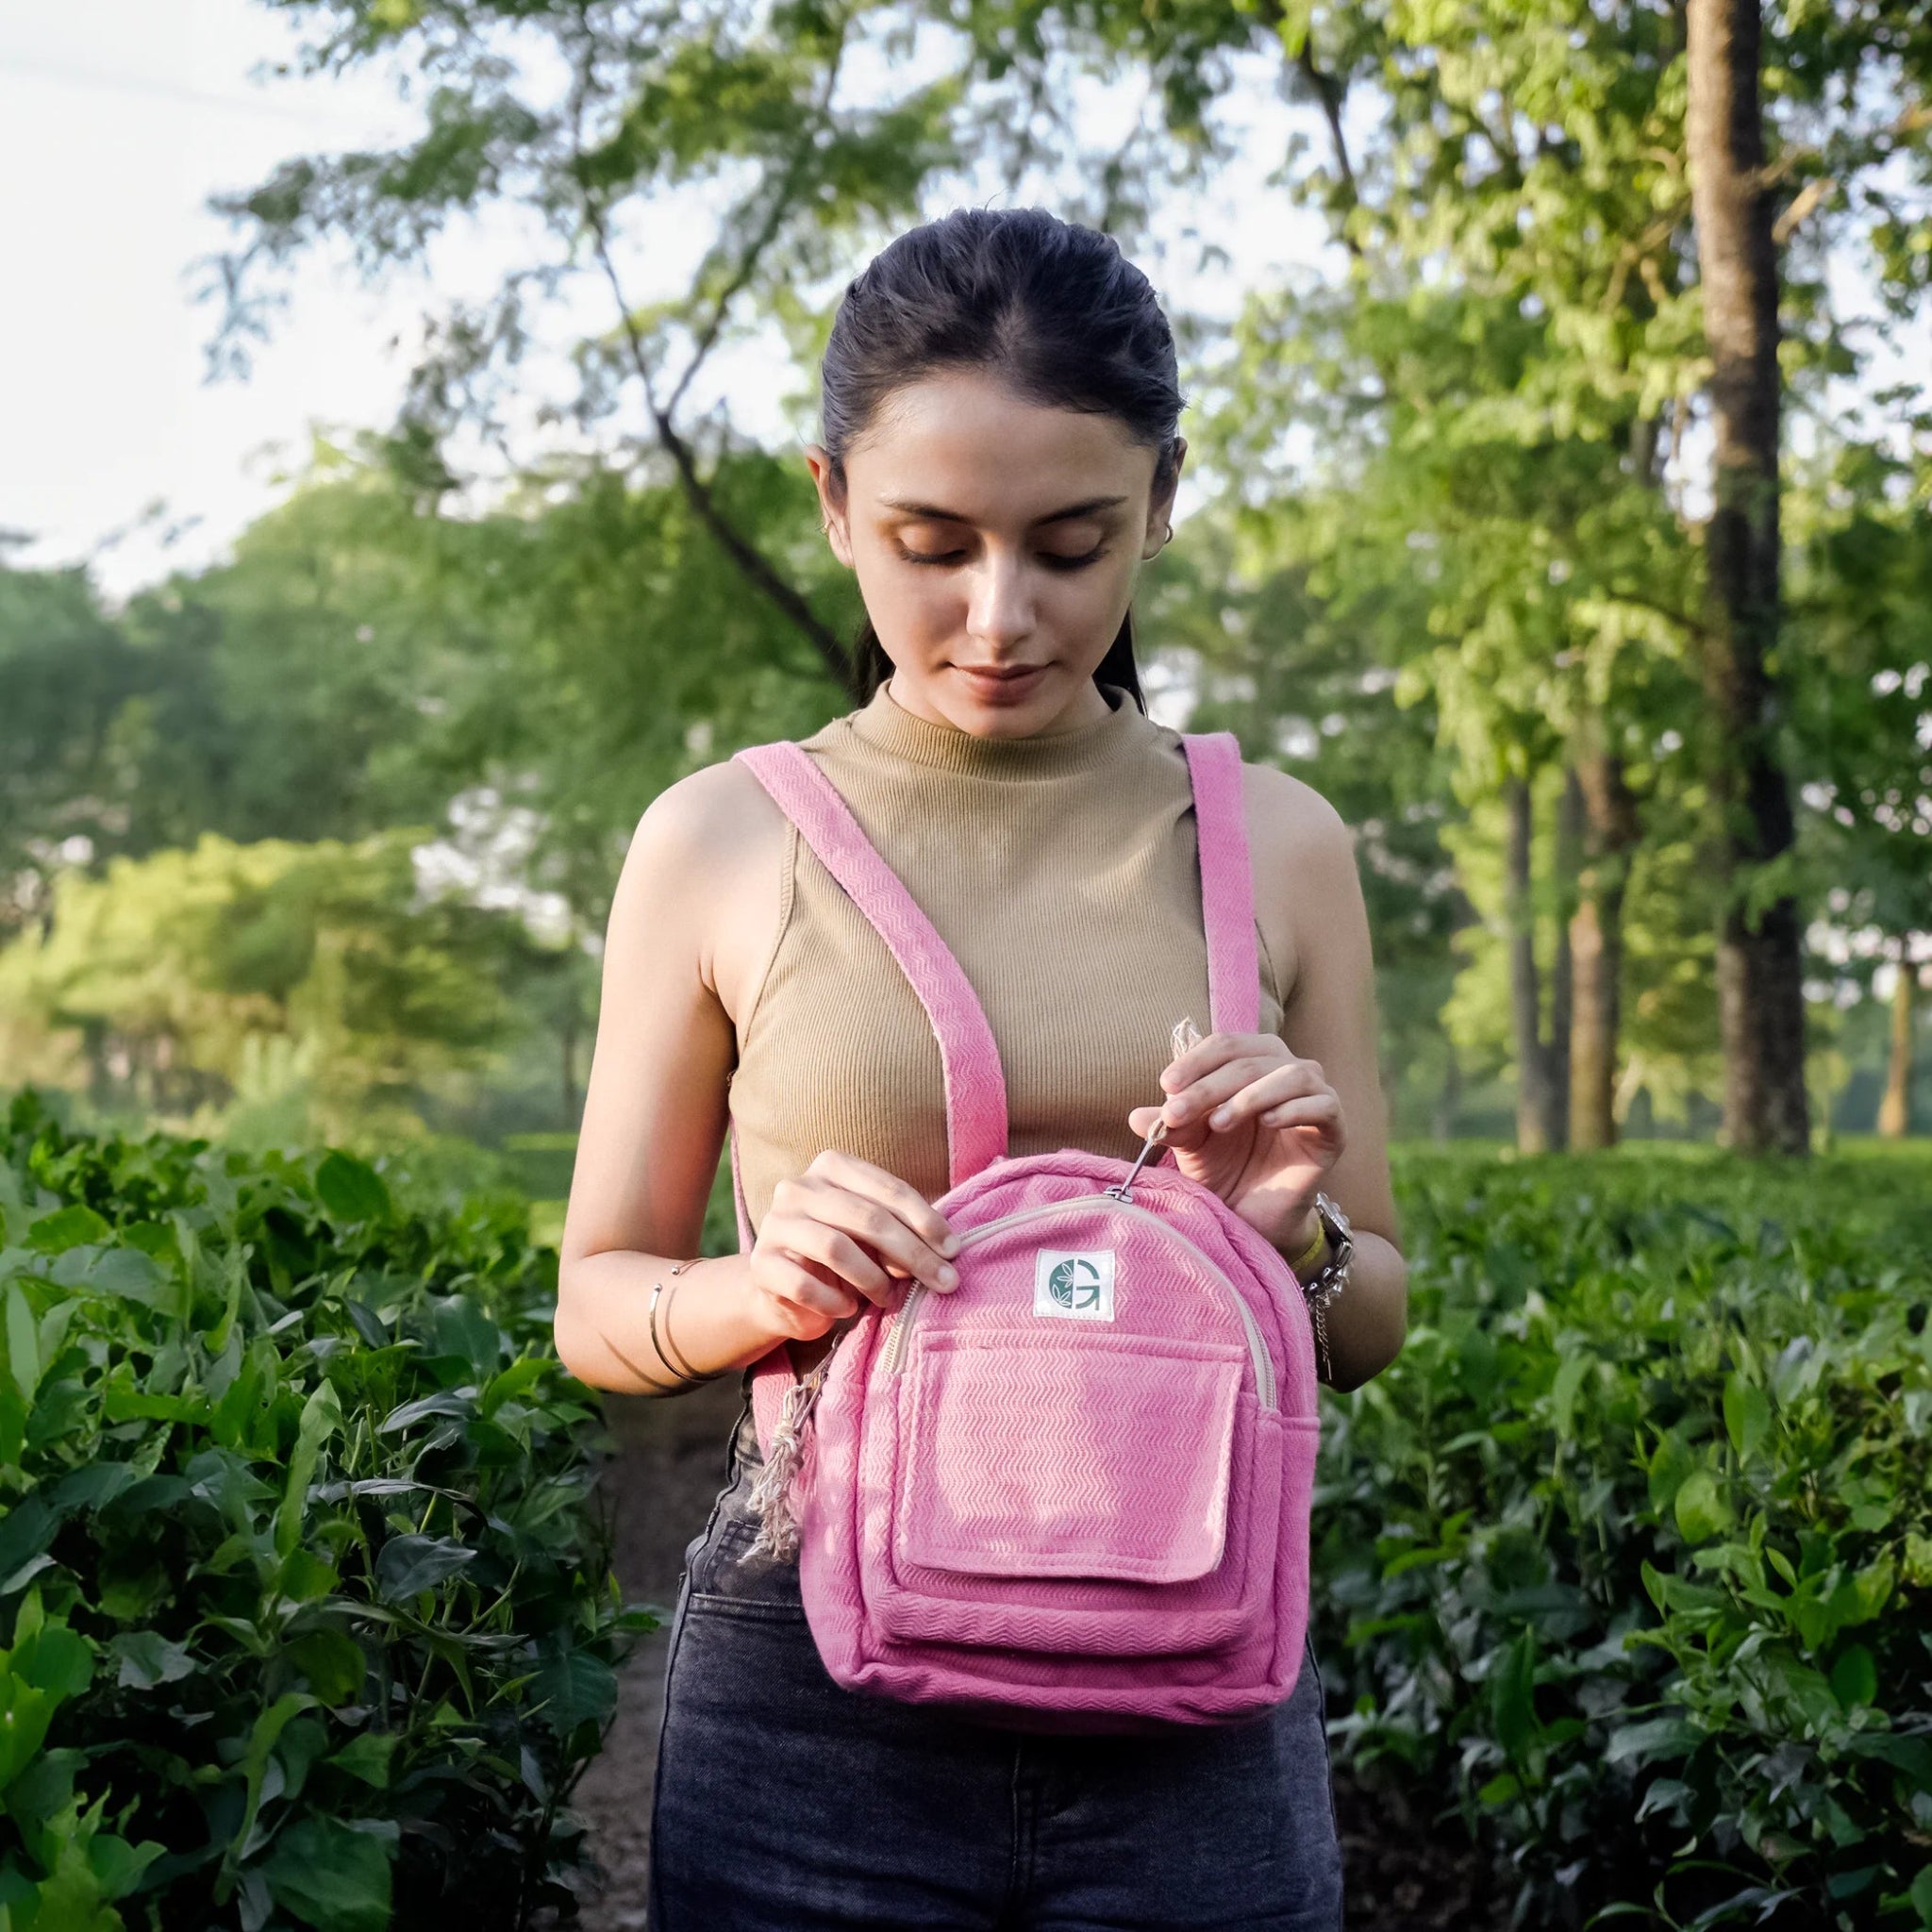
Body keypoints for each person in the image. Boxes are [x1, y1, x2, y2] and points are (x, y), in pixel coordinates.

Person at [555, 206, 1409, 1932]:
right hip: (813, 1687)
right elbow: (597, 1301)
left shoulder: (1279, 840)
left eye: (1071, 547)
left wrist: (1289, 1237)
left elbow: (1374, 1310)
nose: (1000, 615)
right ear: (830, 503)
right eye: (931, 544)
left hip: (1194, 1659)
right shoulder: (721, 838)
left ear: (1160, 503)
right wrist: (751, 1291)